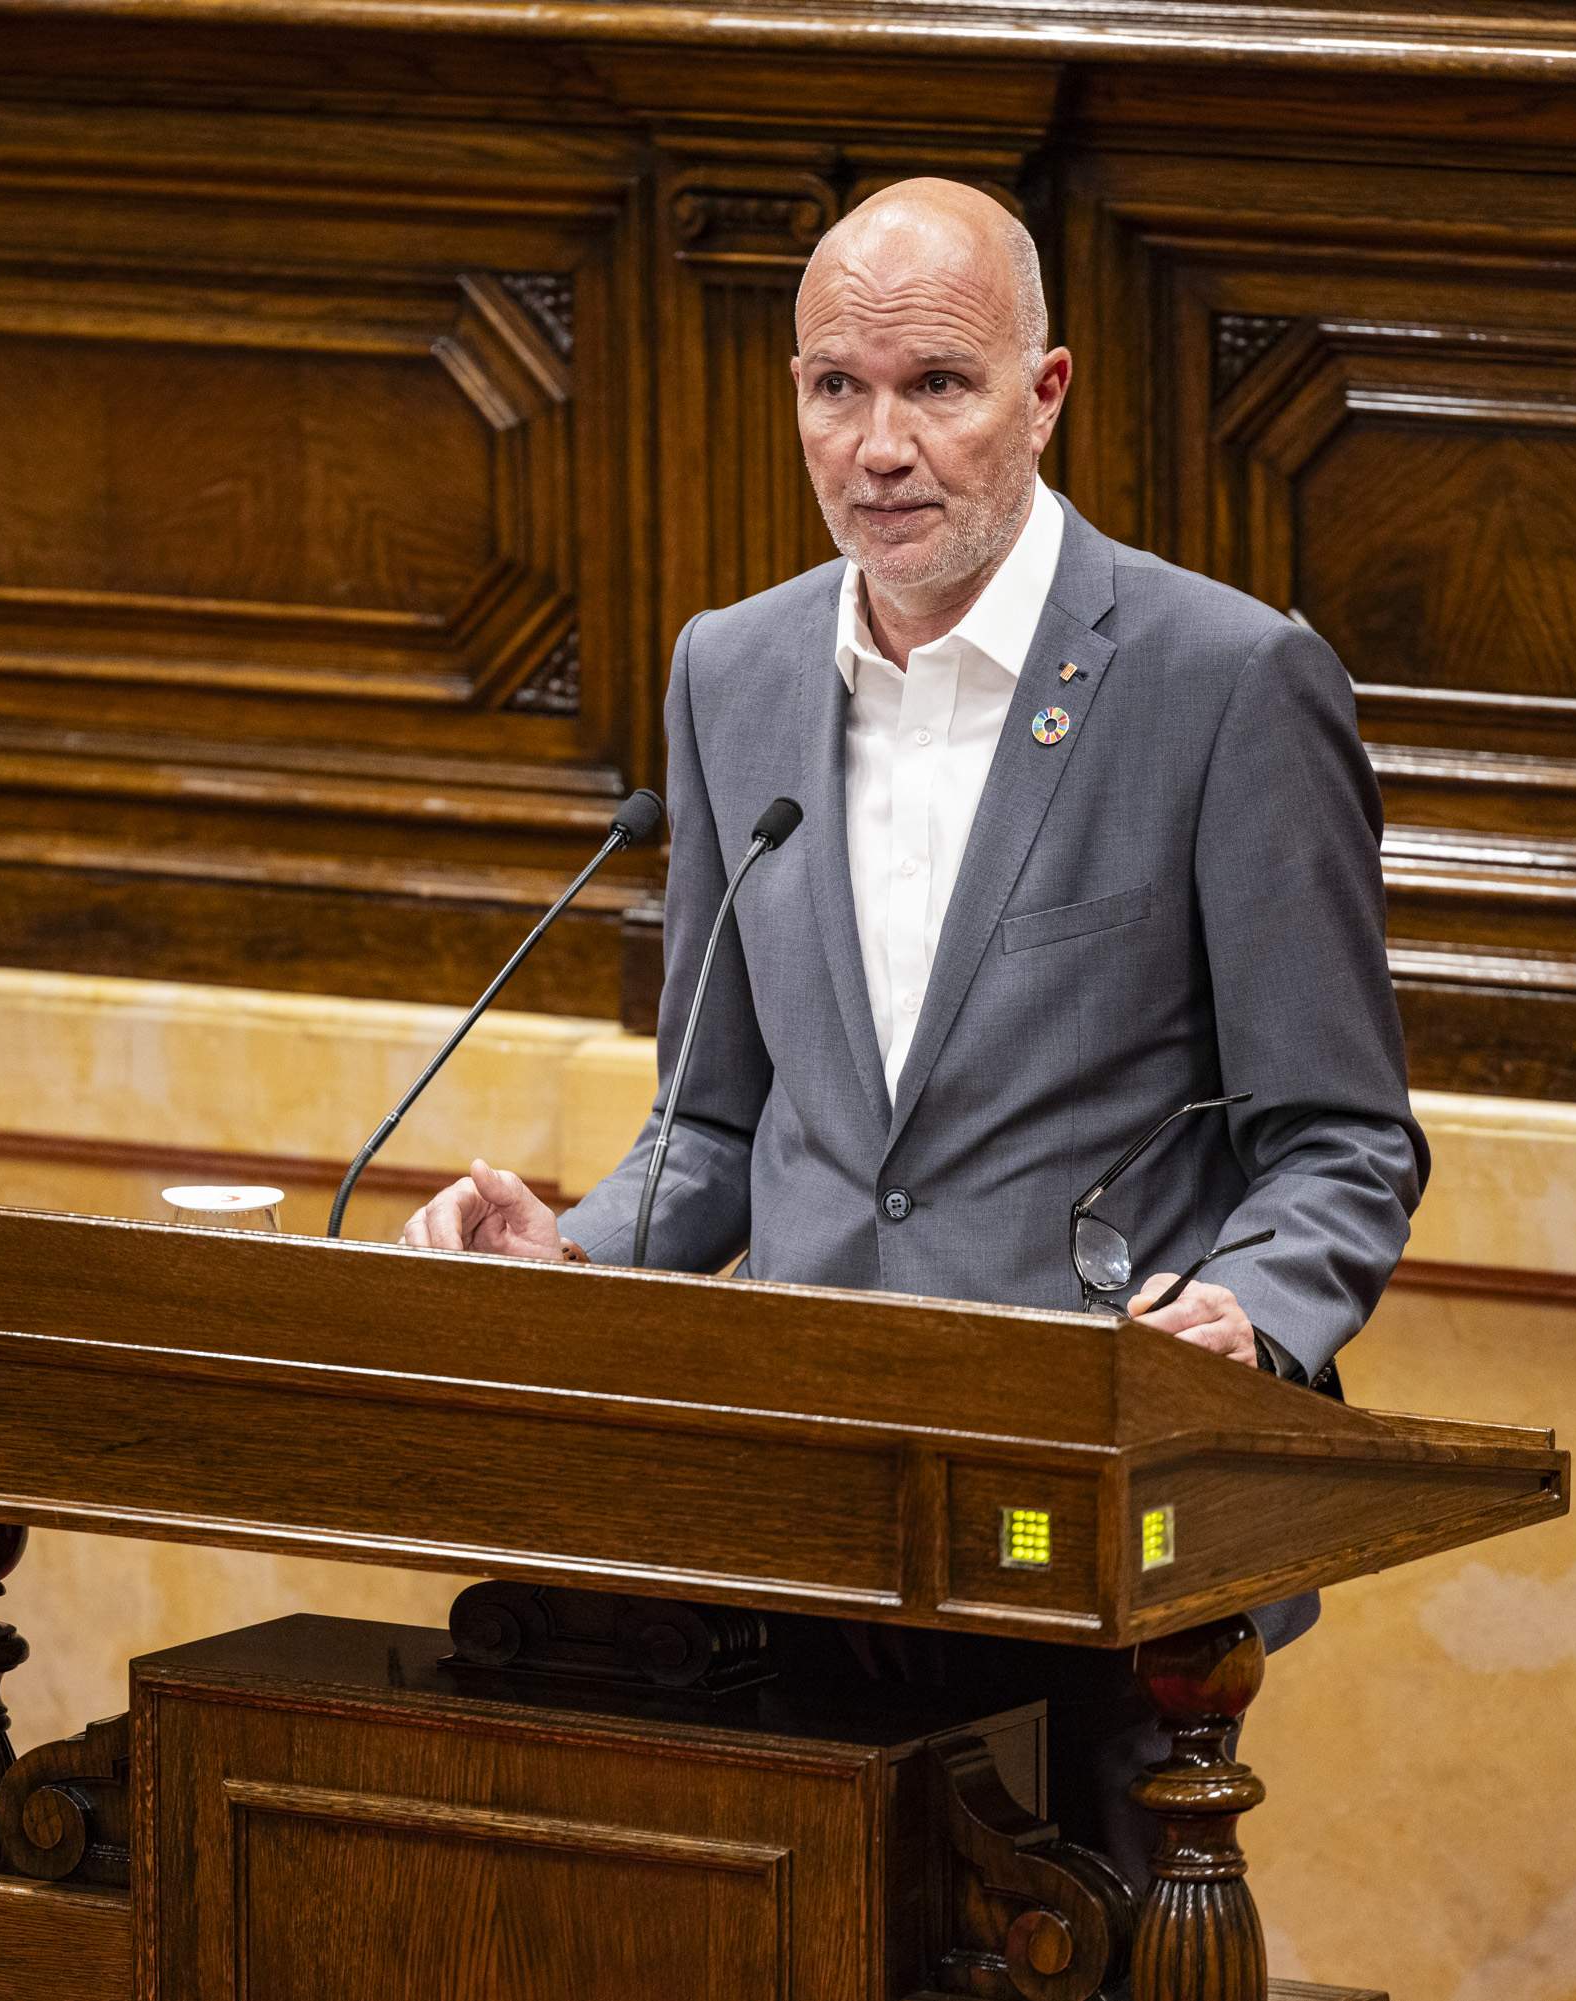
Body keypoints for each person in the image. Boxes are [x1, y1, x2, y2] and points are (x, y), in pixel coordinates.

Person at [400, 176, 1425, 1885]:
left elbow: (1341, 1139)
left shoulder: (1225, 679)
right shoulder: (728, 673)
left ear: (1047, 392)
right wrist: (579, 1251)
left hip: (1082, 1529)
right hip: (789, 1521)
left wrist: (1254, 1307)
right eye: (835, 389)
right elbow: (722, 1123)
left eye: (935, 386)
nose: (879, 446)